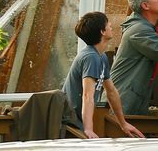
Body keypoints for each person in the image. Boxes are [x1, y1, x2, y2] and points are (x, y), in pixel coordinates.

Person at [62, 11, 145, 139]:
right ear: (102, 31)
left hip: (79, 121)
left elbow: (111, 91)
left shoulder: (101, 57)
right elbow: (87, 94)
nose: (111, 25)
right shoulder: (91, 57)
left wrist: (123, 124)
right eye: (107, 23)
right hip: (69, 123)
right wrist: (88, 129)